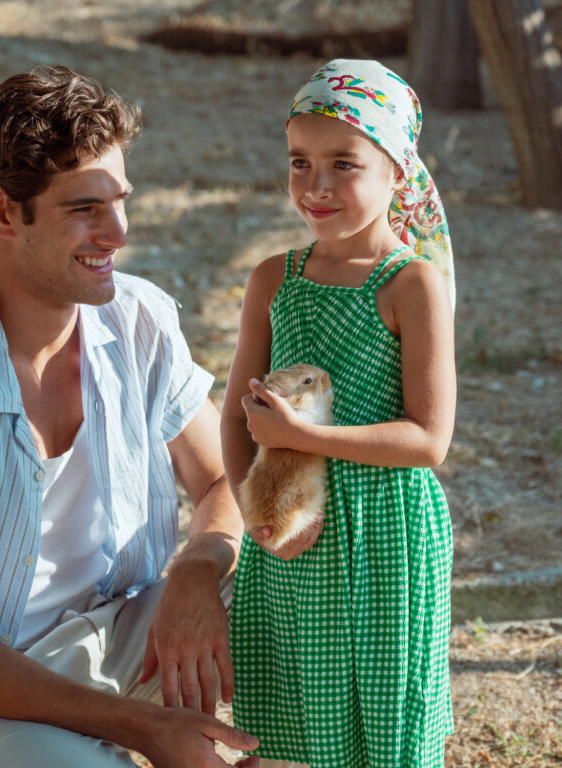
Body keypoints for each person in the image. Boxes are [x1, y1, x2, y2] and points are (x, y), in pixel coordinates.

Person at [0, 65, 259, 768]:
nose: (117, 232)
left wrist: (198, 563)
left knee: (290, 591)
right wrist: (144, 727)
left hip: (120, 637)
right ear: (1, 211)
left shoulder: (140, 319)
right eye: (84, 208)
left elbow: (226, 481)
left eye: (120, 201)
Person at [220, 58, 456, 768]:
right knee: (293, 724)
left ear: (397, 172)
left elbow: (428, 439)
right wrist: (258, 516)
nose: (315, 185)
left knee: (383, 724)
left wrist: (305, 435)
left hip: (386, 534)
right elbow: (235, 416)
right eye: (300, 162)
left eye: (343, 164)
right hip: (292, 525)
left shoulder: (412, 284)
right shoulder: (274, 279)